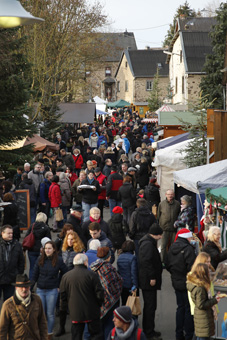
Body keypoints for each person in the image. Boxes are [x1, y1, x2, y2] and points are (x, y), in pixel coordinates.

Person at [60, 253, 104, 340]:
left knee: (76, 335)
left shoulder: (66, 277)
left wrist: (63, 311)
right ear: (85, 262)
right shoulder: (92, 275)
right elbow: (99, 293)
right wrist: (99, 304)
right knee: (96, 335)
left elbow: (63, 296)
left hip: (75, 313)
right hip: (91, 312)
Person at [32, 241, 68, 339]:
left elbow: (66, 273)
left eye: (49, 248)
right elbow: (34, 274)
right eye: (46, 248)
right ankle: (41, 334)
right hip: (40, 289)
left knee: (50, 314)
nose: (47, 250)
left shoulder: (59, 260)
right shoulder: (40, 259)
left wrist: (60, 285)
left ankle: (49, 334)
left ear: (54, 250)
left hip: (52, 290)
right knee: (41, 313)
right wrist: (30, 288)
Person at [166, 228, 196, 340]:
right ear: (186, 237)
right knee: (188, 309)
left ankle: (178, 334)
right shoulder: (188, 249)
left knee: (180, 307)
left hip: (176, 281)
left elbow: (167, 264)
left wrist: (175, 274)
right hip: (187, 282)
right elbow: (191, 267)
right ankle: (188, 334)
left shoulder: (172, 247)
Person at [0, 273, 48, 340]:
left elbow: (42, 323)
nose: (24, 289)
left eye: (26, 286)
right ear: (16, 288)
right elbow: (2, 329)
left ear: (29, 287)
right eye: (21, 287)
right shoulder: (8, 304)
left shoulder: (37, 300)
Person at [90, 247, 123, 339]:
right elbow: (117, 283)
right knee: (109, 325)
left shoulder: (93, 268)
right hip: (111, 302)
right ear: (108, 257)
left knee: (100, 326)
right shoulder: (109, 268)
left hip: (98, 302)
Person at [138, 223, 163, 340]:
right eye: (160, 235)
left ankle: (150, 330)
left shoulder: (148, 242)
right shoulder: (148, 245)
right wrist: (152, 277)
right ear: (155, 235)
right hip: (148, 281)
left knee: (151, 306)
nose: (161, 237)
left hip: (147, 279)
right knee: (150, 306)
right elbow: (146, 262)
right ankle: (148, 332)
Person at [187, 263, 221, 340]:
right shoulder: (200, 288)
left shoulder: (197, 285)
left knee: (199, 336)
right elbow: (201, 304)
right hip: (203, 318)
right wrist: (214, 300)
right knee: (203, 337)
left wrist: (214, 297)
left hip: (200, 317)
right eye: (208, 272)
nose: (209, 273)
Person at [0, 225, 24, 301]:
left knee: (9, 302)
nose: (11, 235)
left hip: (11, 278)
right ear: (2, 233)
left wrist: (18, 274)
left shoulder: (17, 245)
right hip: (0, 276)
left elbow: (21, 261)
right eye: (8, 233)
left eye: (11, 233)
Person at [24, 212, 51, 279]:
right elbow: (49, 240)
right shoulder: (46, 228)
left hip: (31, 249)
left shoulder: (32, 226)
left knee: (32, 268)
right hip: (42, 250)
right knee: (42, 267)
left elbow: (26, 236)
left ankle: (31, 285)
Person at [157, 189, 180, 264]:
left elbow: (179, 215)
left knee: (174, 246)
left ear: (173, 195)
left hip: (174, 229)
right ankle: (163, 261)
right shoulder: (161, 204)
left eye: (171, 194)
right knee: (163, 246)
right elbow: (158, 216)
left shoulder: (177, 204)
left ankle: (173, 260)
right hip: (164, 228)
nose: (170, 196)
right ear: (166, 195)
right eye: (169, 194)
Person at [117, 240, 138, 306]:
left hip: (122, 284)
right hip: (130, 284)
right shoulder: (133, 258)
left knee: (124, 302)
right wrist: (135, 284)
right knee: (132, 304)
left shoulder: (119, 257)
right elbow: (133, 272)